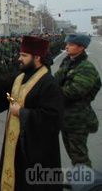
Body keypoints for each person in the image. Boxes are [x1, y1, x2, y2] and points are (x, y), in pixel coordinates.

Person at [0, 36, 63, 190]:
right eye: (20, 54)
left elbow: (52, 120)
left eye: (24, 56)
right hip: (15, 145)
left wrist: (22, 113)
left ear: (37, 57)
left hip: (35, 151)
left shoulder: (49, 83)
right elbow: (4, 91)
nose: (19, 59)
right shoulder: (20, 77)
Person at [54, 34, 101, 168]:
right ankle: (79, 179)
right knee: (71, 152)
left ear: (81, 47)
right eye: (67, 44)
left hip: (78, 120)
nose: (66, 47)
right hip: (66, 117)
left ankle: (86, 185)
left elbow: (73, 92)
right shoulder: (67, 61)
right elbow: (55, 80)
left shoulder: (86, 67)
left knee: (79, 156)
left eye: (71, 44)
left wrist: (51, 94)